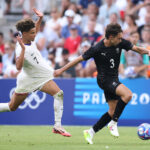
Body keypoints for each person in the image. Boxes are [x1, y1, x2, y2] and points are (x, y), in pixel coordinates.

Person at [54, 23, 150, 144]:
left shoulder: (119, 42)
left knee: (112, 111)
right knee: (128, 95)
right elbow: (78, 59)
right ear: (110, 37)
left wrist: (148, 52)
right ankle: (114, 123)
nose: (121, 40)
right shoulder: (97, 48)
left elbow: (137, 49)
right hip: (104, 80)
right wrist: (61, 70)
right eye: (118, 38)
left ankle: (91, 132)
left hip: (114, 79)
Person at [0, 8, 71, 137]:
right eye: (32, 33)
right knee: (12, 107)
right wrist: (22, 50)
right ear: (25, 34)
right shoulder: (21, 47)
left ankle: (57, 126)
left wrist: (40, 19)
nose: (35, 34)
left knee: (59, 94)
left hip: (40, 77)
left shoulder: (29, 38)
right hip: (27, 79)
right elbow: (18, 67)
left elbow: (35, 29)